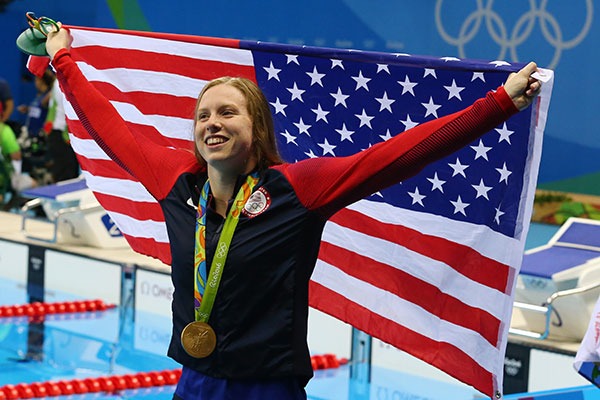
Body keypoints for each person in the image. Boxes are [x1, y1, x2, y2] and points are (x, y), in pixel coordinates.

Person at [45, 24, 541, 400]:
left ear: (257, 129)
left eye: (226, 112)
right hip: (195, 381)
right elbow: (108, 126)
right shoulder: (178, 184)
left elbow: (395, 158)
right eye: (202, 116)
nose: (211, 124)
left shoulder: (296, 189)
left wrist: (498, 104)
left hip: (269, 388)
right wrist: (62, 58)